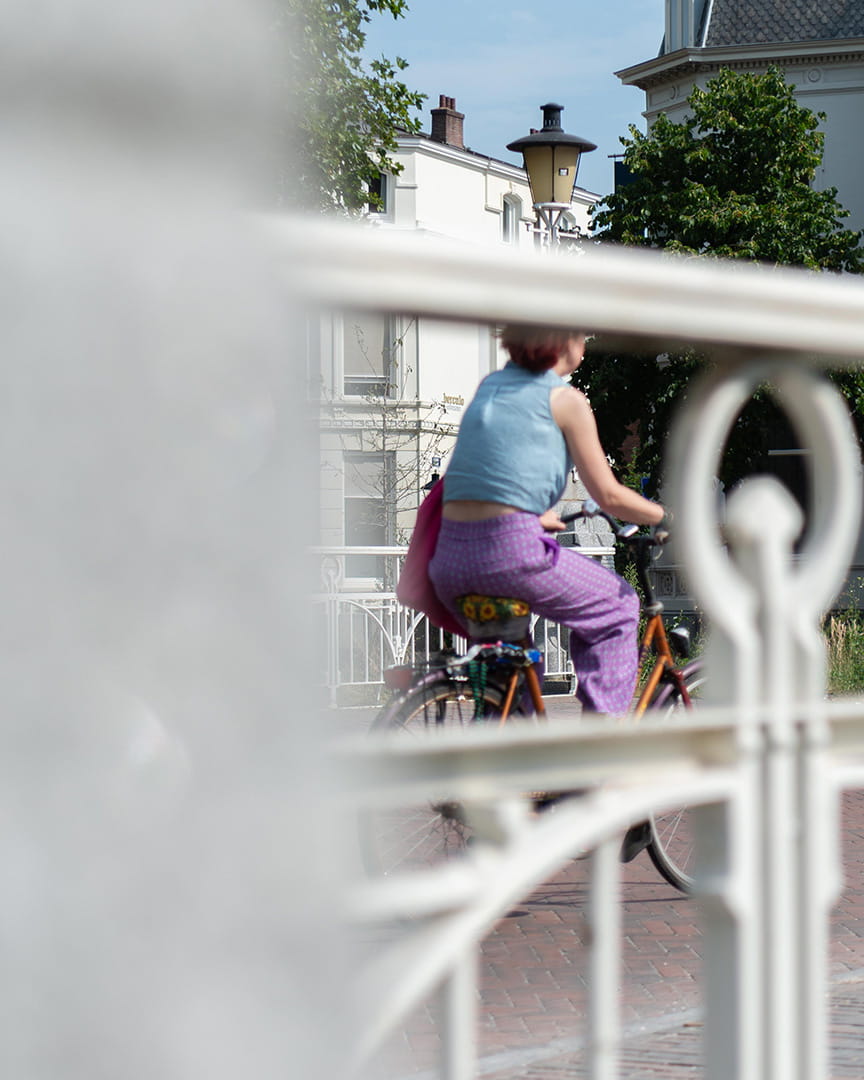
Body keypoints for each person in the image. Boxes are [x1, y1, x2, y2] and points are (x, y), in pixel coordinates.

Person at [428, 325, 669, 717]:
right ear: (562, 342)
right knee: (619, 607)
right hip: (509, 554)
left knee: (516, 669)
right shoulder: (565, 400)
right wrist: (667, 514)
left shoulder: (491, 386)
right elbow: (608, 495)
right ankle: (597, 749)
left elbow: (487, 471)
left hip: (450, 562)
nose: (585, 348)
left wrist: (537, 514)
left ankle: (502, 745)